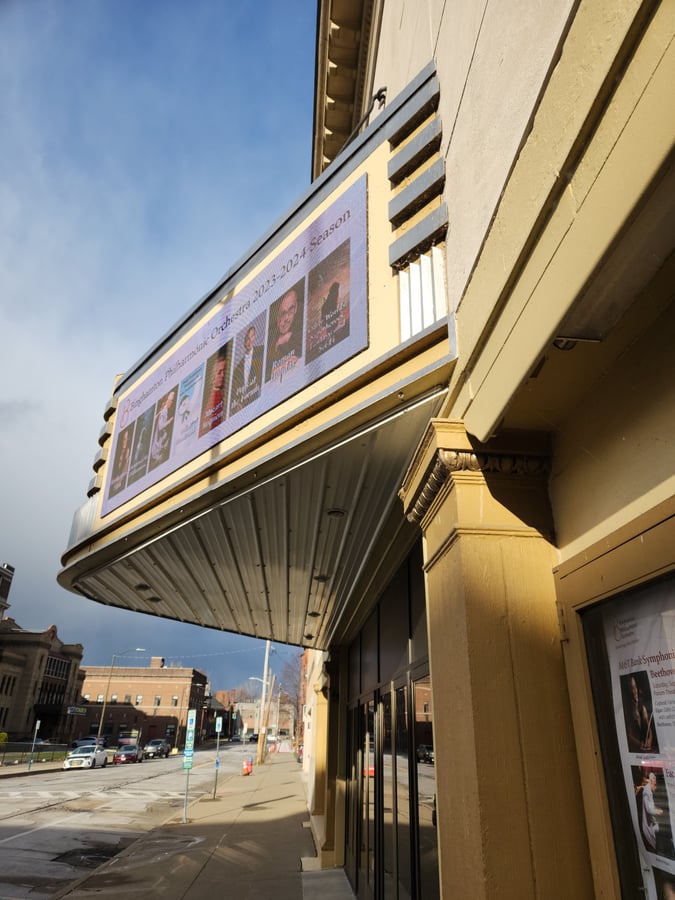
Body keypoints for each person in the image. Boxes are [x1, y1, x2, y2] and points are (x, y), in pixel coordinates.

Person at [266, 286, 303, 381]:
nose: (287, 318)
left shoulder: (299, 333)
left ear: (296, 308)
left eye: (291, 310)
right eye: (283, 313)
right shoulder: (268, 343)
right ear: (277, 317)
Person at [231, 324, 264, 412]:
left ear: (254, 338)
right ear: (244, 342)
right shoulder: (237, 369)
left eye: (251, 337)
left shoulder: (262, 351)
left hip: (262, 401)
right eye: (247, 339)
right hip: (245, 409)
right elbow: (234, 395)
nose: (249, 341)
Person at [199, 346, 228, 436]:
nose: (223, 375)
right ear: (213, 375)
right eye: (219, 372)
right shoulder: (212, 400)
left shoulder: (224, 392)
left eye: (224, 371)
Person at [625, 674, 657, 752]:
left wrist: (650, 739)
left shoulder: (642, 707)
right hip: (636, 750)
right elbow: (628, 735)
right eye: (632, 688)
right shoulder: (627, 711)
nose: (635, 691)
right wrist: (640, 744)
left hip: (645, 748)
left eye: (635, 687)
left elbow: (649, 727)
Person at [149, 390, 176, 468]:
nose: (171, 403)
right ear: (167, 400)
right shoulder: (164, 412)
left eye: (172, 401)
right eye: (170, 400)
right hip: (157, 448)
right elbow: (161, 427)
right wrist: (169, 421)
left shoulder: (166, 410)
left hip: (160, 445)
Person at [642, 771, 663, 851]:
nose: (656, 787)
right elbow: (649, 809)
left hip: (650, 824)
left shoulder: (648, 791)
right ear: (650, 782)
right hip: (648, 827)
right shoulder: (647, 792)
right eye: (654, 784)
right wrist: (657, 811)